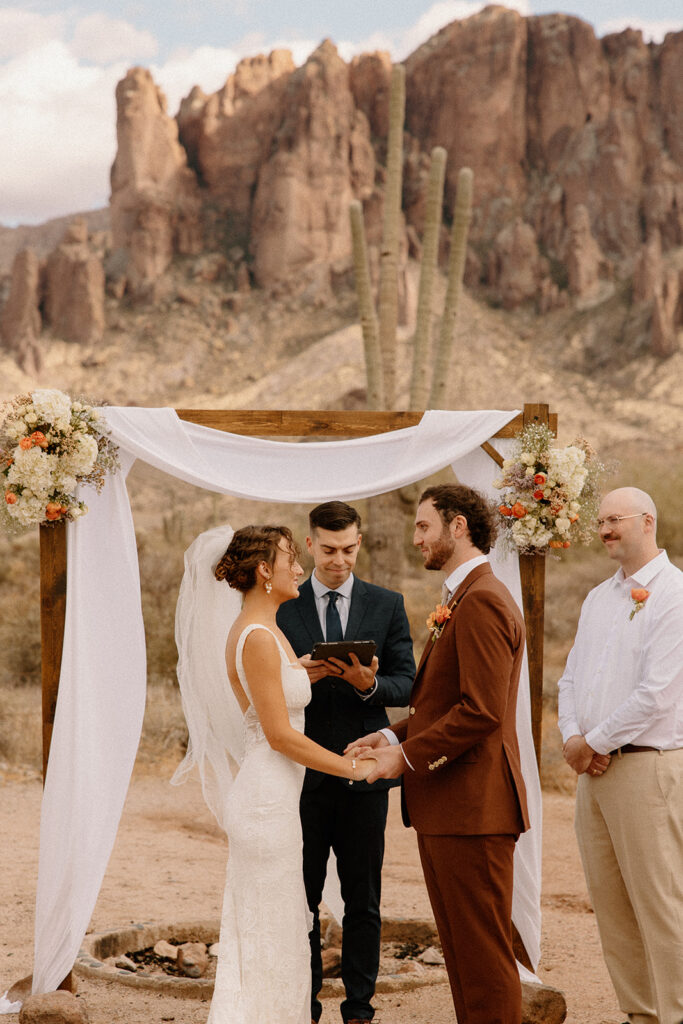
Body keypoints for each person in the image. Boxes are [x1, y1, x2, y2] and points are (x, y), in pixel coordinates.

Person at [174, 524, 376, 1024]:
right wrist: (353, 767)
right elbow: (281, 737)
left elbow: (269, 694)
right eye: (290, 556)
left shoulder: (266, 631)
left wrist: (303, 670)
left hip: (276, 797)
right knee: (271, 929)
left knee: (281, 927)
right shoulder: (259, 636)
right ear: (265, 570)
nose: (299, 566)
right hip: (266, 801)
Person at [346, 484, 530, 1024]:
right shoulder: (461, 599)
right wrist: (394, 736)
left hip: (474, 809)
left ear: (458, 527)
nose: (415, 537)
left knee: (484, 961)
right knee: (462, 956)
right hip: (452, 808)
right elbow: (447, 703)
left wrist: (400, 761)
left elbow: (481, 712)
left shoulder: (485, 601)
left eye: (424, 526)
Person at [276, 501, 415, 1024]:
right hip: (301, 775)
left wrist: (370, 685)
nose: (340, 560)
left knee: (364, 898)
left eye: (349, 549)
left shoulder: (387, 603)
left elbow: (409, 682)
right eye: (330, 550)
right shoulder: (283, 607)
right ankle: (304, 1003)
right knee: (301, 898)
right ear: (310, 545)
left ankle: (359, 1008)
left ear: (361, 541)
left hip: (364, 773)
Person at [557, 486, 683, 1024]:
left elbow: (658, 692)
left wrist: (594, 742)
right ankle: (641, 1015)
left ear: (647, 521)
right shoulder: (597, 597)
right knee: (611, 908)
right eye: (601, 521)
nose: (605, 529)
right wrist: (572, 741)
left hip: (648, 769)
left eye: (616, 519)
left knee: (662, 908)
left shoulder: (675, 594)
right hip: (595, 773)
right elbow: (568, 679)